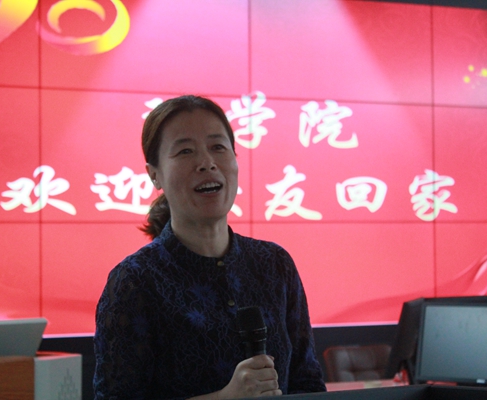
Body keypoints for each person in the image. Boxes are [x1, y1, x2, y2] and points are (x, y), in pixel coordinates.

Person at [93, 95, 326, 399]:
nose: (206, 163)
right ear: (154, 175)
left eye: (218, 147)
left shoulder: (274, 264)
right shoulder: (134, 281)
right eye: (185, 151)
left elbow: (308, 383)